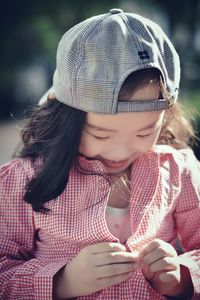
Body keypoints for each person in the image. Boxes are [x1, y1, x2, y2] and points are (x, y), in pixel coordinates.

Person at [0, 8, 200, 300]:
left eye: (145, 132)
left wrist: (181, 275)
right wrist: (64, 281)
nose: (120, 150)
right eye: (100, 134)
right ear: (66, 117)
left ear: (165, 117)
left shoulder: (178, 168)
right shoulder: (23, 179)